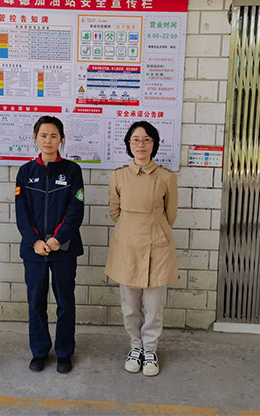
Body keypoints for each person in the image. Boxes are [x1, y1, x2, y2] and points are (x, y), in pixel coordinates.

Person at [105, 121, 178, 377]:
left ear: (154, 144)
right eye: (136, 139)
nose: (141, 144)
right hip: (127, 247)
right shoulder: (119, 175)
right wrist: (130, 229)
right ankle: (135, 347)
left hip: (157, 248)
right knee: (130, 306)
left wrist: (154, 231)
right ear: (128, 144)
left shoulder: (166, 177)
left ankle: (150, 350)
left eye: (147, 139)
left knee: (154, 307)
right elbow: (115, 211)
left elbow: (170, 214)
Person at [15, 116, 85, 374]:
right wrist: (34, 241)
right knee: (36, 303)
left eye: (53, 135)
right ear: (35, 138)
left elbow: (76, 210)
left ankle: (64, 352)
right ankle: (40, 351)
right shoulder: (25, 172)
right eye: (43, 135)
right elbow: (21, 212)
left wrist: (58, 238)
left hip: (63, 249)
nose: (48, 140)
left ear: (61, 139)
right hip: (33, 251)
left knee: (65, 303)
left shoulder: (72, 171)